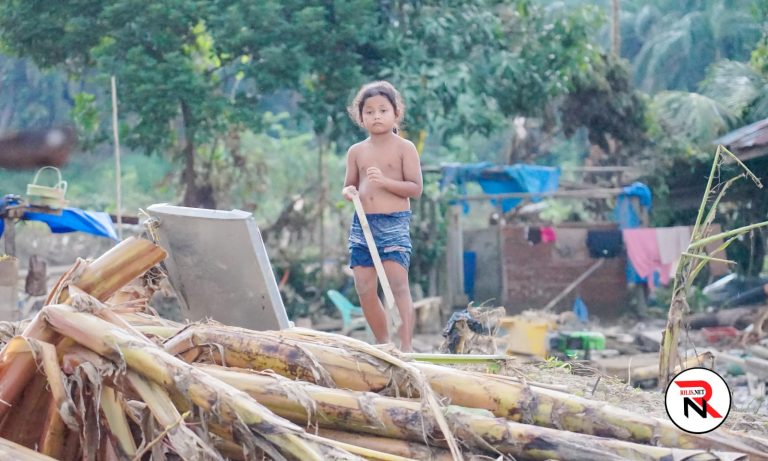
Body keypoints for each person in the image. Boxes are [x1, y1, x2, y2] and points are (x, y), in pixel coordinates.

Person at [341, 81, 423, 351]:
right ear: (360, 117)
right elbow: (349, 185)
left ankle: (406, 347)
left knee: (398, 285)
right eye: (370, 111)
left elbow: (415, 189)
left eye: (383, 110)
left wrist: (385, 182)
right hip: (363, 224)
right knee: (364, 287)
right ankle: (382, 343)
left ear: (396, 113)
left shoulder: (405, 148)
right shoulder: (356, 151)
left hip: (393, 222)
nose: (376, 116)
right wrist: (349, 192)